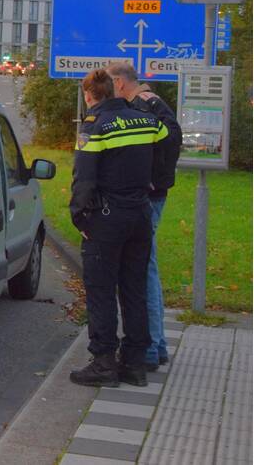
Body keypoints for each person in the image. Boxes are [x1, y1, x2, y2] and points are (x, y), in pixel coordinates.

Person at [69, 68, 167, 388]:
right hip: (140, 214)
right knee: (134, 289)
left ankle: (104, 363)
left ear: (89, 95)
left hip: (107, 218)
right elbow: (167, 145)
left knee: (101, 291)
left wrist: (80, 218)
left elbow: (83, 179)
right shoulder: (145, 119)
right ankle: (135, 363)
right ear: (113, 90)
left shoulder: (94, 126)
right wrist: (154, 184)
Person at [106, 61, 182, 371]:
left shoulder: (146, 105)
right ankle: (157, 344)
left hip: (147, 198)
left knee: (143, 271)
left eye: (110, 85)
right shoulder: (148, 103)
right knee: (147, 269)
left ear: (120, 83)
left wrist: (151, 180)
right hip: (150, 195)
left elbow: (170, 140)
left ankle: (150, 348)